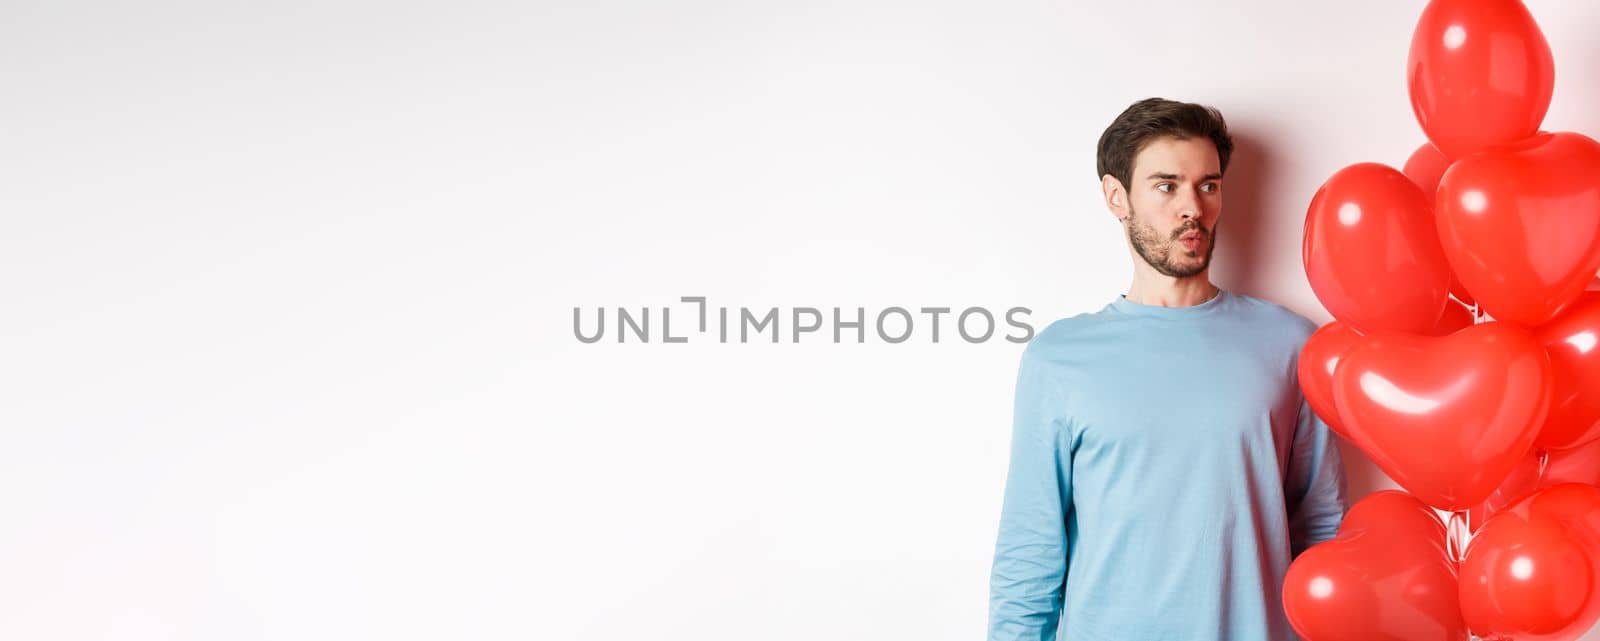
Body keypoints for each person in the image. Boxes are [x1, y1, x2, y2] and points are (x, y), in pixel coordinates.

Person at [986, 98, 1348, 641]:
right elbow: (1031, 553)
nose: (1192, 208)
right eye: (1166, 185)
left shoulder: (1289, 344)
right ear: (1117, 197)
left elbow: (1323, 528)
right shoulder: (1059, 358)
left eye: (1208, 185)